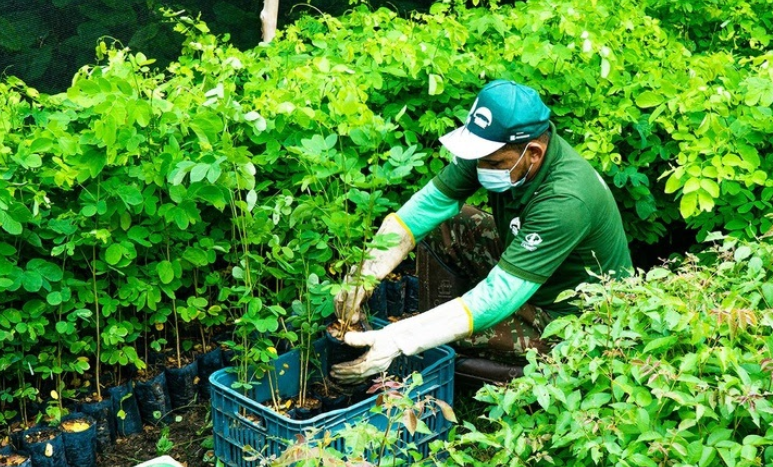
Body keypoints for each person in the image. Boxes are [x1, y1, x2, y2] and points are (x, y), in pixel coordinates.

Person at [330, 80, 633, 384]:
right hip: (532, 270)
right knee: (450, 223)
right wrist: (364, 274)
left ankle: (525, 373)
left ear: (534, 154)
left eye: (493, 163)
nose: (480, 167)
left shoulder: (566, 202)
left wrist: (401, 339)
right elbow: (425, 209)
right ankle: (439, 321)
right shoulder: (493, 149)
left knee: (439, 339)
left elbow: (499, 295)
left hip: (574, 318)